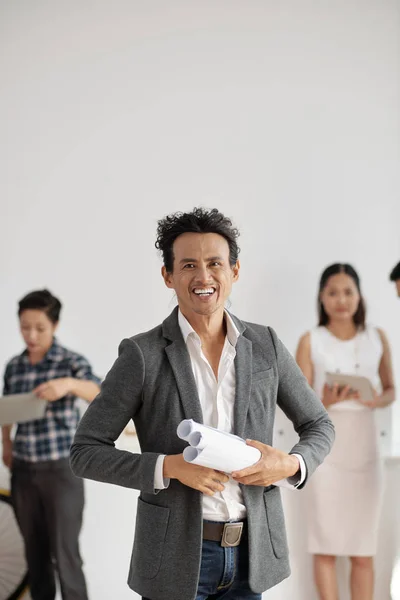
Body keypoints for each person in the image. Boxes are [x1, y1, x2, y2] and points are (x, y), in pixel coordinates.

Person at [70, 207, 334, 600]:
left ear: (234, 271)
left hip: (251, 558)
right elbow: (85, 452)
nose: (204, 277)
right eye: (189, 265)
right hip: (174, 559)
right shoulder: (142, 354)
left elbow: (319, 424)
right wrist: (170, 467)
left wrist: (290, 464)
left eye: (215, 263)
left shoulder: (266, 346)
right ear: (168, 276)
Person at [296, 263, 395, 600]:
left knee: (363, 549)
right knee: (324, 547)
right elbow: (298, 399)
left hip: (366, 448)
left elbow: (391, 389)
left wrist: (374, 399)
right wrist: (322, 399)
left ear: (360, 295)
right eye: (333, 292)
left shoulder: (376, 336)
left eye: (348, 291)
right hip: (326, 450)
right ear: (321, 298)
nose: (341, 299)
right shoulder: (311, 340)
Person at [1, 289, 101, 600]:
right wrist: (6, 443)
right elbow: (7, 409)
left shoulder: (70, 362)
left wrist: (68, 385)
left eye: (39, 328)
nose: (31, 335)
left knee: (65, 553)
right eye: (24, 327)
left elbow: (101, 393)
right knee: (35, 555)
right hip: (24, 471)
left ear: (54, 326)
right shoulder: (15, 366)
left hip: (61, 472)